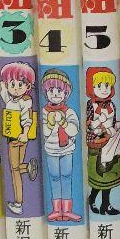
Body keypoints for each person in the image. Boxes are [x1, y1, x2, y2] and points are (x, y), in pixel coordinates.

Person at [0, 61, 39, 215]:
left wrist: (25, 133)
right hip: (15, 138)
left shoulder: (25, 102)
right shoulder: (10, 100)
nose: (16, 88)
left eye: (20, 84)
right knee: (16, 167)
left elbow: (26, 118)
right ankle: (28, 167)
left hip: (17, 139)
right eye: (12, 84)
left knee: (14, 170)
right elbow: (3, 91)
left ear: (28, 86)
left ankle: (18, 203)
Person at [42, 69, 80, 221]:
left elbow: (74, 130)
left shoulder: (69, 111)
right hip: (51, 150)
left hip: (67, 149)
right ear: (46, 92)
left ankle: (67, 209)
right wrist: (50, 124)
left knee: (66, 176)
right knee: (54, 177)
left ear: (66, 93)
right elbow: (44, 132)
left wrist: (63, 122)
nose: (55, 94)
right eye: (51, 90)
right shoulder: (45, 111)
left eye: (59, 90)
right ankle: (56, 209)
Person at [84, 66, 120, 216]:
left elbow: (113, 123)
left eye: (107, 85)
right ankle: (92, 199)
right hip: (96, 144)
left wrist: (112, 130)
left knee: (109, 175)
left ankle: (106, 205)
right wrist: (97, 127)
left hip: (110, 143)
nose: (104, 89)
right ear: (92, 87)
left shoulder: (112, 104)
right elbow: (88, 124)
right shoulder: (91, 104)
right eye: (99, 86)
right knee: (98, 176)